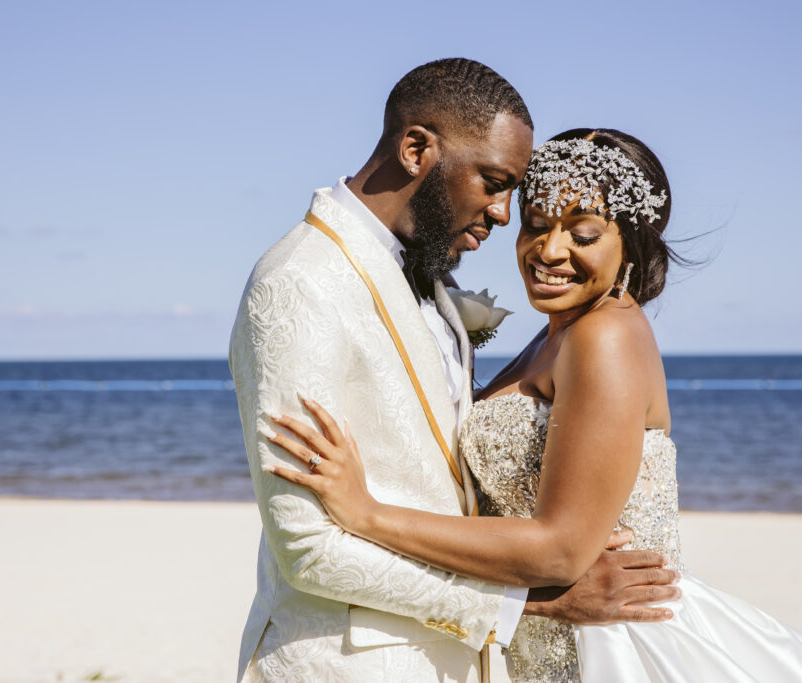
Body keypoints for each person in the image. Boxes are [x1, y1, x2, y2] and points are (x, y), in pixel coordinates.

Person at [264, 128, 802, 681]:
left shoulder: (605, 337)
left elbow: (560, 549)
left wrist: (367, 514)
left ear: (631, 244)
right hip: (536, 638)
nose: (550, 250)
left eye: (582, 233)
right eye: (536, 223)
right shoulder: (556, 329)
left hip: (607, 645)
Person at [229, 61, 680, 683]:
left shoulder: (444, 285)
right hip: (351, 663)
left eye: (580, 232)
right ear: (415, 149)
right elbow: (307, 547)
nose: (504, 217)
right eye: (500, 188)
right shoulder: (299, 284)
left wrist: (373, 514)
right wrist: (528, 608)